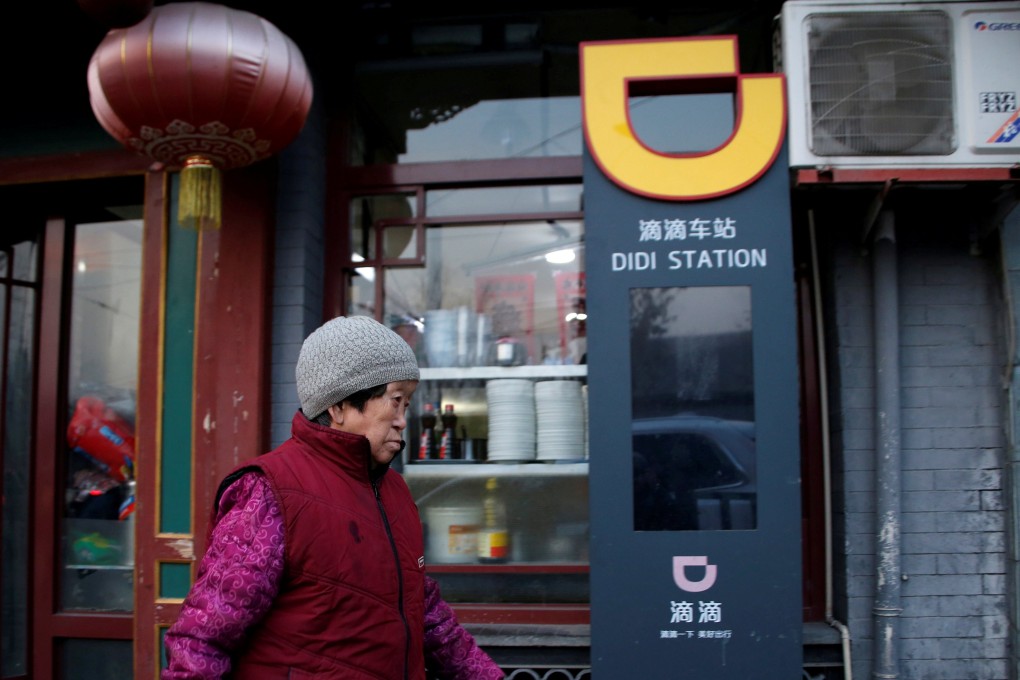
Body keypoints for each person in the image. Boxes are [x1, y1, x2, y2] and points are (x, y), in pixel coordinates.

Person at [163, 315, 504, 679]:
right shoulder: (269, 492)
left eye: (407, 404)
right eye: (395, 400)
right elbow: (204, 638)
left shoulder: (394, 491)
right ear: (338, 406)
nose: (403, 419)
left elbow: (428, 616)